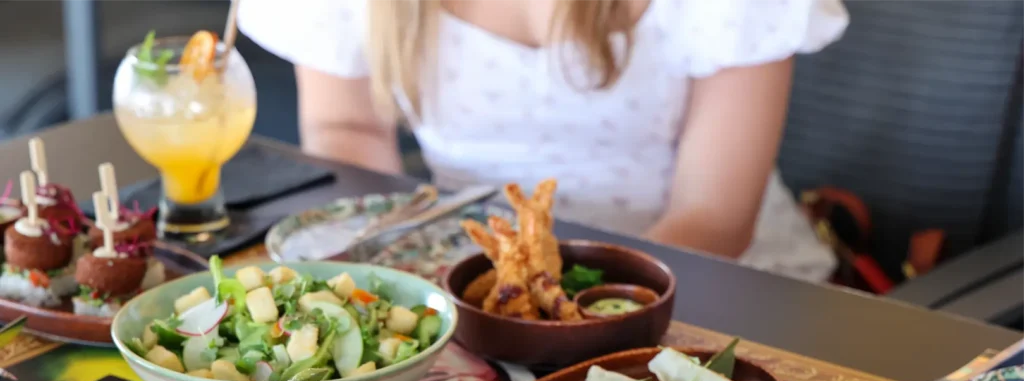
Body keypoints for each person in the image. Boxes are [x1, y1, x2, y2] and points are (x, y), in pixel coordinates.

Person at [239, 0, 849, 282]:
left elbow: (714, 218)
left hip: (694, 275)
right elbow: (348, 130)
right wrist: (403, 268)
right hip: (470, 270)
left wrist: (554, 302)